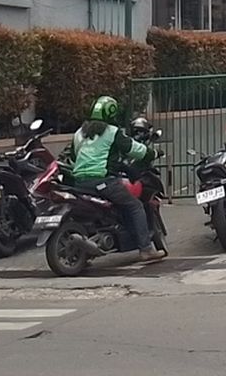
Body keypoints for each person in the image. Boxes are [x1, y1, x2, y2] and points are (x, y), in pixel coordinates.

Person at [66, 96, 165, 263]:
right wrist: (154, 153)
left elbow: (74, 156)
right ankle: (146, 249)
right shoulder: (112, 132)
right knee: (135, 206)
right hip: (102, 181)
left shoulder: (79, 133)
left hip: (79, 183)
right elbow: (135, 149)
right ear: (112, 113)